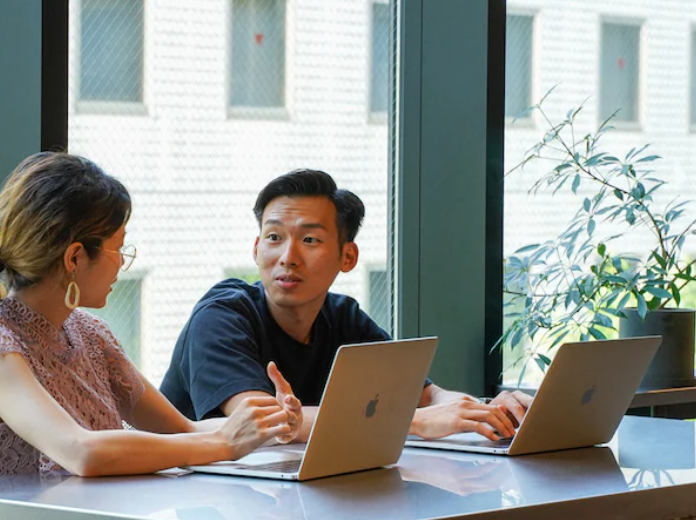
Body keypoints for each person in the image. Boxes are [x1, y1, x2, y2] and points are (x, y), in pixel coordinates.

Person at [0, 152, 302, 481]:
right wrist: (223, 443)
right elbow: (80, 451)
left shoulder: (88, 333)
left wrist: (268, 425)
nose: (122, 263)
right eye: (118, 248)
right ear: (74, 257)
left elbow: (182, 430)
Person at [160, 169, 533, 443]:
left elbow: (426, 396)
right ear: (257, 249)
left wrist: (487, 412)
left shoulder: (343, 317)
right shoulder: (222, 315)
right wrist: (415, 423)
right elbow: (262, 423)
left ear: (348, 256)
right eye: (273, 237)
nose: (287, 256)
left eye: (309, 240)